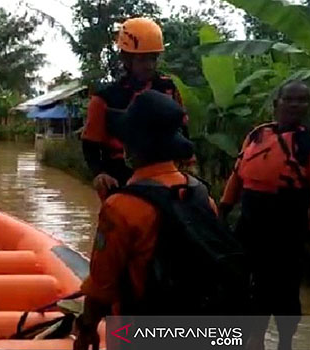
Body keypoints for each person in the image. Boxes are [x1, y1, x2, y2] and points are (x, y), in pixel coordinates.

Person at [74, 90, 219, 350]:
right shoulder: (203, 197)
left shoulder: (121, 207)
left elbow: (101, 287)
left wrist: (86, 328)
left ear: (133, 146)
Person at [219, 80, 310, 350]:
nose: (296, 105)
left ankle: (285, 342)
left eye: (303, 100)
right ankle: (254, 338)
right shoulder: (257, 135)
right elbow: (237, 175)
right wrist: (224, 208)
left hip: (288, 225)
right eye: (290, 99)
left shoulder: (309, 143)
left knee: (284, 289)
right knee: (245, 282)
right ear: (277, 104)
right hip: (250, 221)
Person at [81, 17, 189, 202]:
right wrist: (99, 174)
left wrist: (188, 167)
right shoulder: (105, 97)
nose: (149, 65)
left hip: (162, 171)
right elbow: (90, 144)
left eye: (153, 58)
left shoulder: (168, 89)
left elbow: (182, 130)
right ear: (126, 59)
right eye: (142, 59)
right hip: (119, 174)